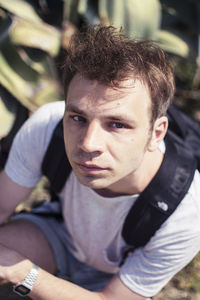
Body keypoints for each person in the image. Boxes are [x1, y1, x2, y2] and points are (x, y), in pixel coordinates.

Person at [0, 25, 200, 300]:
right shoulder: (49, 127)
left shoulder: (186, 213)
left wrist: (24, 274)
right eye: (78, 118)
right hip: (58, 234)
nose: (88, 144)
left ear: (156, 133)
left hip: (117, 276)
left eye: (117, 124)